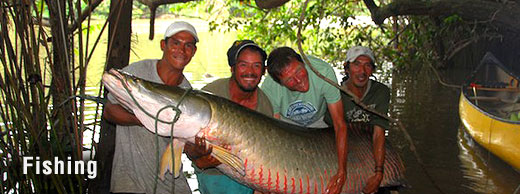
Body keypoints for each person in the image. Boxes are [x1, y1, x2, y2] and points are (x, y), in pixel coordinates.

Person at [103, 21, 198, 194]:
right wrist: (143, 119)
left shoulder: (188, 93)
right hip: (130, 180)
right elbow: (109, 111)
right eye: (175, 43)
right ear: (163, 45)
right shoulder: (138, 73)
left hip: (169, 181)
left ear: (194, 51)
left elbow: (185, 142)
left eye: (188, 45)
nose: (181, 50)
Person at [184, 40, 272, 194]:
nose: (250, 71)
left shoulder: (265, 105)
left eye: (256, 65)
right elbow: (187, 146)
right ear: (232, 68)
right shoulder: (210, 94)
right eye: (243, 65)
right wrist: (199, 155)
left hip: (249, 174)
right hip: (213, 174)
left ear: (264, 70)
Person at [261, 47, 348, 194]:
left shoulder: (323, 71)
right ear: (280, 83)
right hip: (285, 124)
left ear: (303, 63)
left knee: (330, 163)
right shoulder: (270, 87)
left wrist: (342, 171)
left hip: (318, 121)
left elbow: (340, 124)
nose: (299, 80)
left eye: (299, 71)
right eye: (289, 79)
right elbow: (274, 133)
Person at [335, 46, 402, 194]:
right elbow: (329, 132)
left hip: (368, 148)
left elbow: (379, 134)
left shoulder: (381, 91)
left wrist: (379, 172)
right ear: (347, 68)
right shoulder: (336, 94)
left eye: (368, 65)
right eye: (357, 64)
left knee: (388, 183)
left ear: (372, 70)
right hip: (342, 148)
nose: (362, 71)